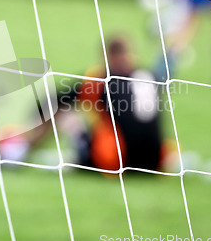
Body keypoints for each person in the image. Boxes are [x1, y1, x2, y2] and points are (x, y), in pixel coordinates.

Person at [31, 37, 171, 172]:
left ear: (107, 55)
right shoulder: (150, 76)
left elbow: (54, 100)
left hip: (116, 160)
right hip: (155, 162)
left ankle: (21, 150)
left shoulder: (101, 79)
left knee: (65, 113)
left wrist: (33, 116)